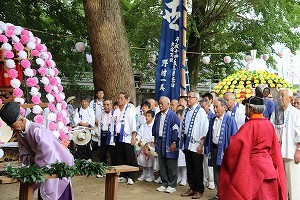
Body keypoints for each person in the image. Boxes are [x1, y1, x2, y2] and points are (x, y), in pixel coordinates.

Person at [0, 102, 74, 200]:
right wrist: (32, 159)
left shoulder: (37, 131)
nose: (12, 129)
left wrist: (34, 159)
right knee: (43, 190)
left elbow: (49, 155)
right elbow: (24, 153)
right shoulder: (20, 133)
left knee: (55, 192)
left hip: (57, 165)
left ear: (21, 120)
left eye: (13, 126)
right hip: (43, 168)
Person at [219, 94, 287, 200]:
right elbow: (275, 149)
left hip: (254, 171)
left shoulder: (249, 126)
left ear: (250, 108)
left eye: (246, 107)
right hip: (269, 167)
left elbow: (235, 148)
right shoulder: (269, 125)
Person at [204, 98, 238, 200]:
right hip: (214, 149)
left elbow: (234, 136)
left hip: (224, 151)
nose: (215, 109)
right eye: (214, 107)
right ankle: (219, 193)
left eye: (217, 107)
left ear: (224, 107)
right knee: (216, 172)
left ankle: (226, 195)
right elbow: (209, 134)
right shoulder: (212, 119)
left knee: (225, 173)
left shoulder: (230, 120)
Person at [270, 88, 300, 200]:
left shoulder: (296, 113)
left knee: (294, 185)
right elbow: (271, 131)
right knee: (281, 185)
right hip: (278, 154)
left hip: (291, 154)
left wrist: (298, 150)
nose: (280, 98)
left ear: (290, 98)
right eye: (279, 96)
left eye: (282, 95)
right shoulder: (276, 113)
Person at [180, 91, 209, 199]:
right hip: (187, 141)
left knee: (197, 168)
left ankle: (199, 189)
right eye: (187, 97)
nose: (188, 99)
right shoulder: (186, 111)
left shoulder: (200, 111)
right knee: (190, 167)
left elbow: (204, 129)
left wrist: (201, 144)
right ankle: (192, 187)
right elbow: (182, 125)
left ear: (196, 99)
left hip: (196, 143)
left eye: (190, 97)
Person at [152, 96, 180, 193]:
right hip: (159, 142)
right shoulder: (158, 115)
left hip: (169, 142)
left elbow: (176, 129)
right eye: (159, 103)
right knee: (162, 162)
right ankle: (164, 183)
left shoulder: (173, 115)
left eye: (162, 103)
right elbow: (155, 128)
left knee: (170, 163)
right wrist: (155, 140)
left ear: (168, 104)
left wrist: (174, 142)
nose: (160, 105)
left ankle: (172, 184)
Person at [113, 92, 137, 185]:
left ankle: (131, 177)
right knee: (120, 156)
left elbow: (133, 123)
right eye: (118, 98)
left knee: (129, 157)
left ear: (127, 99)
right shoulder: (116, 110)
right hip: (118, 136)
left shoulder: (130, 109)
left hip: (127, 136)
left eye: (121, 98)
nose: (119, 100)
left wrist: (133, 137)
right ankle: (123, 175)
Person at [199, 98, 215, 190]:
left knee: (209, 163)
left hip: (209, 143)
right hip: (200, 143)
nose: (202, 109)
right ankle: (204, 180)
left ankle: (211, 181)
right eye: (201, 107)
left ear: (209, 106)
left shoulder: (212, 117)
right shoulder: (199, 116)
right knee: (202, 163)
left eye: (203, 107)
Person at [136, 110, 155, 182]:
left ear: (152, 117)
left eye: (148, 116)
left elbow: (153, 136)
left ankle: (151, 175)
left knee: (149, 160)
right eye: (146, 116)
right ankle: (144, 173)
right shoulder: (143, 125)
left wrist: (150, 142)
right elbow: (139, 133)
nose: (146, 117)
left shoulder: (153, 125)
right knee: (142, 160)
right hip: (142, 145)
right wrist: (138, 139)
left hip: (149, 145)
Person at [97, 99, 117, 168]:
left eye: (108, 105)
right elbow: (99, 125)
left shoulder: (114, 114)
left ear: (111, 105)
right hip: (103, 134)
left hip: (111, 136)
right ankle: (102, 169)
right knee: (102, 153)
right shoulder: (101, 114)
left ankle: (114, 170)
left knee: (113, 153)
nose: (106, 106)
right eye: (104, 105)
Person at [175, 109, 187, 187]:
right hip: (177, 145)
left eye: (178, 115)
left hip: (183, 145)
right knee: (178, 162)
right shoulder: (176, 124)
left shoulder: (184, 124)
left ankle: (184, 178)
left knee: (184, 163)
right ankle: (178, 177)